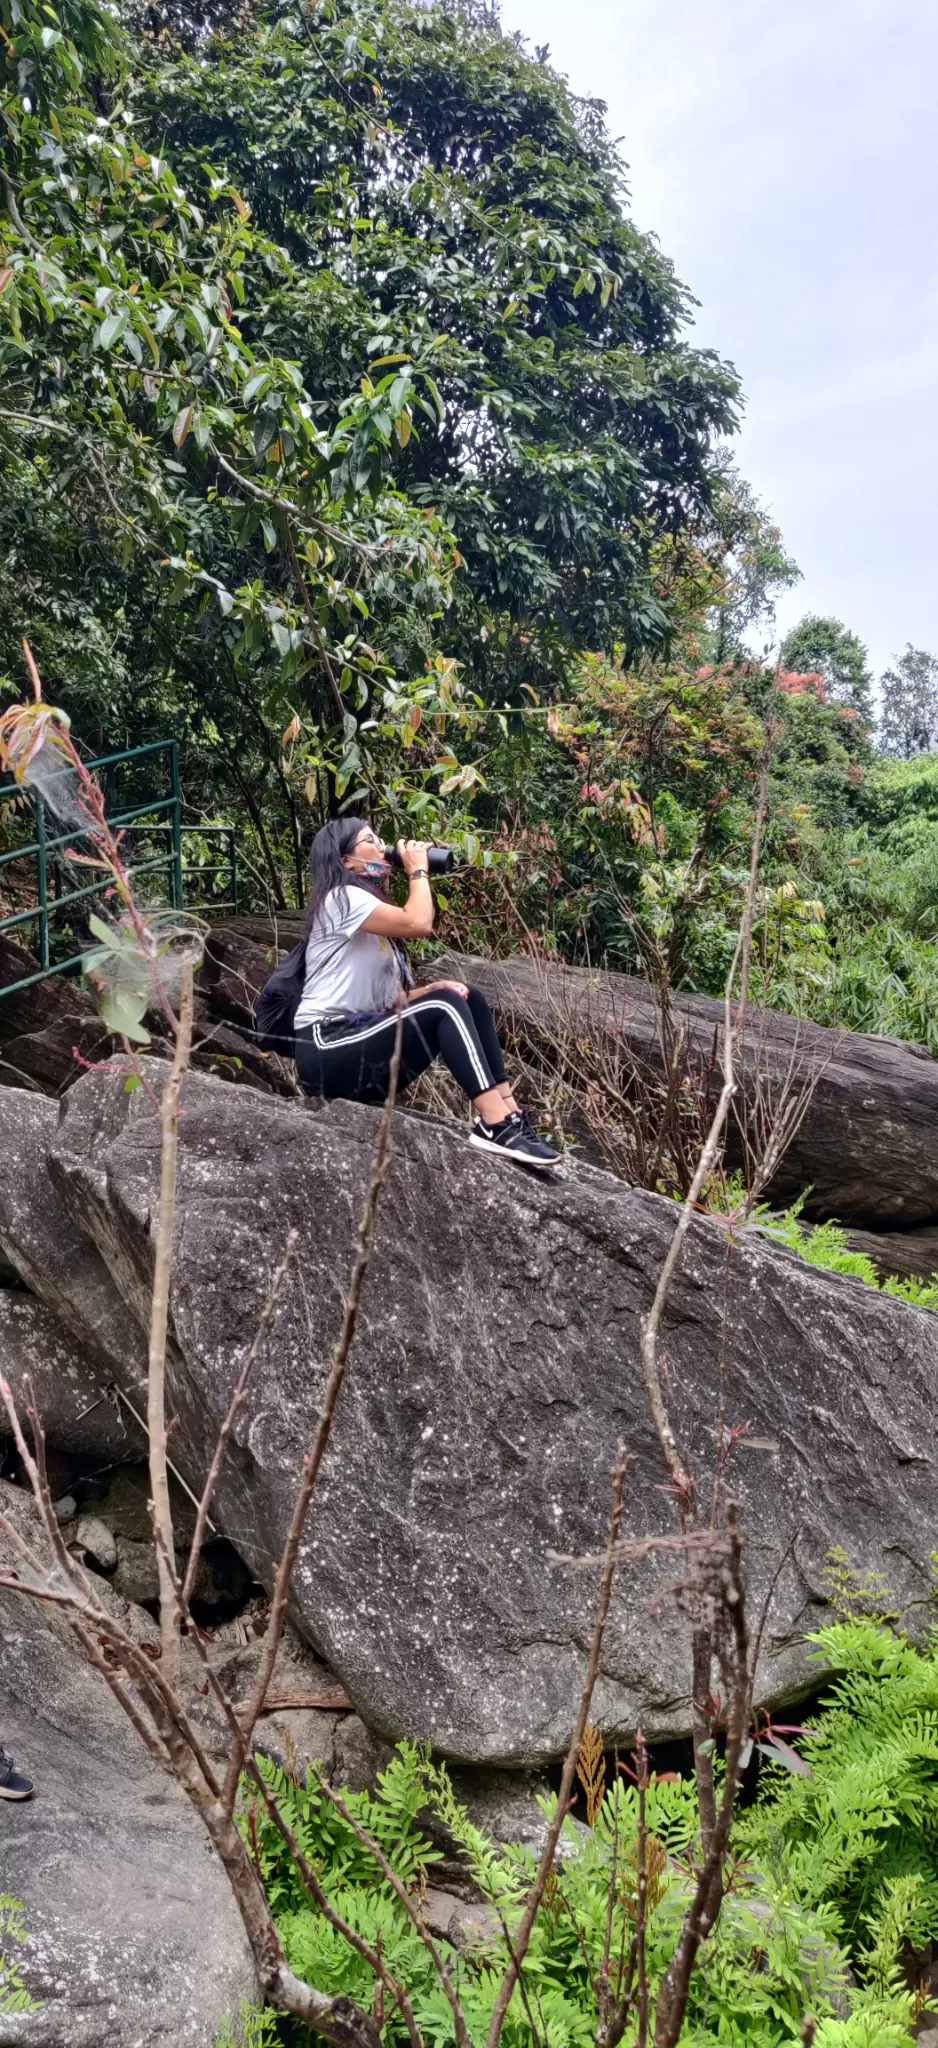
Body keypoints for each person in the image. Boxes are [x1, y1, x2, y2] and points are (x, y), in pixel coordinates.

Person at [293, 818, 560, 1169]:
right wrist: (418, 871)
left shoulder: (373, 923)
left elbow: (388, 1004)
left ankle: (510, 1116)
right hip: (325, 1046)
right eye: (370, 840)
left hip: (360, 1044)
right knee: (445, 1006)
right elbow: (419, 923)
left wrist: (430, 990)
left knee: (469, 997)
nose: (382, 846)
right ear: (346, 861)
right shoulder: (340, 897)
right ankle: (493, 1124)